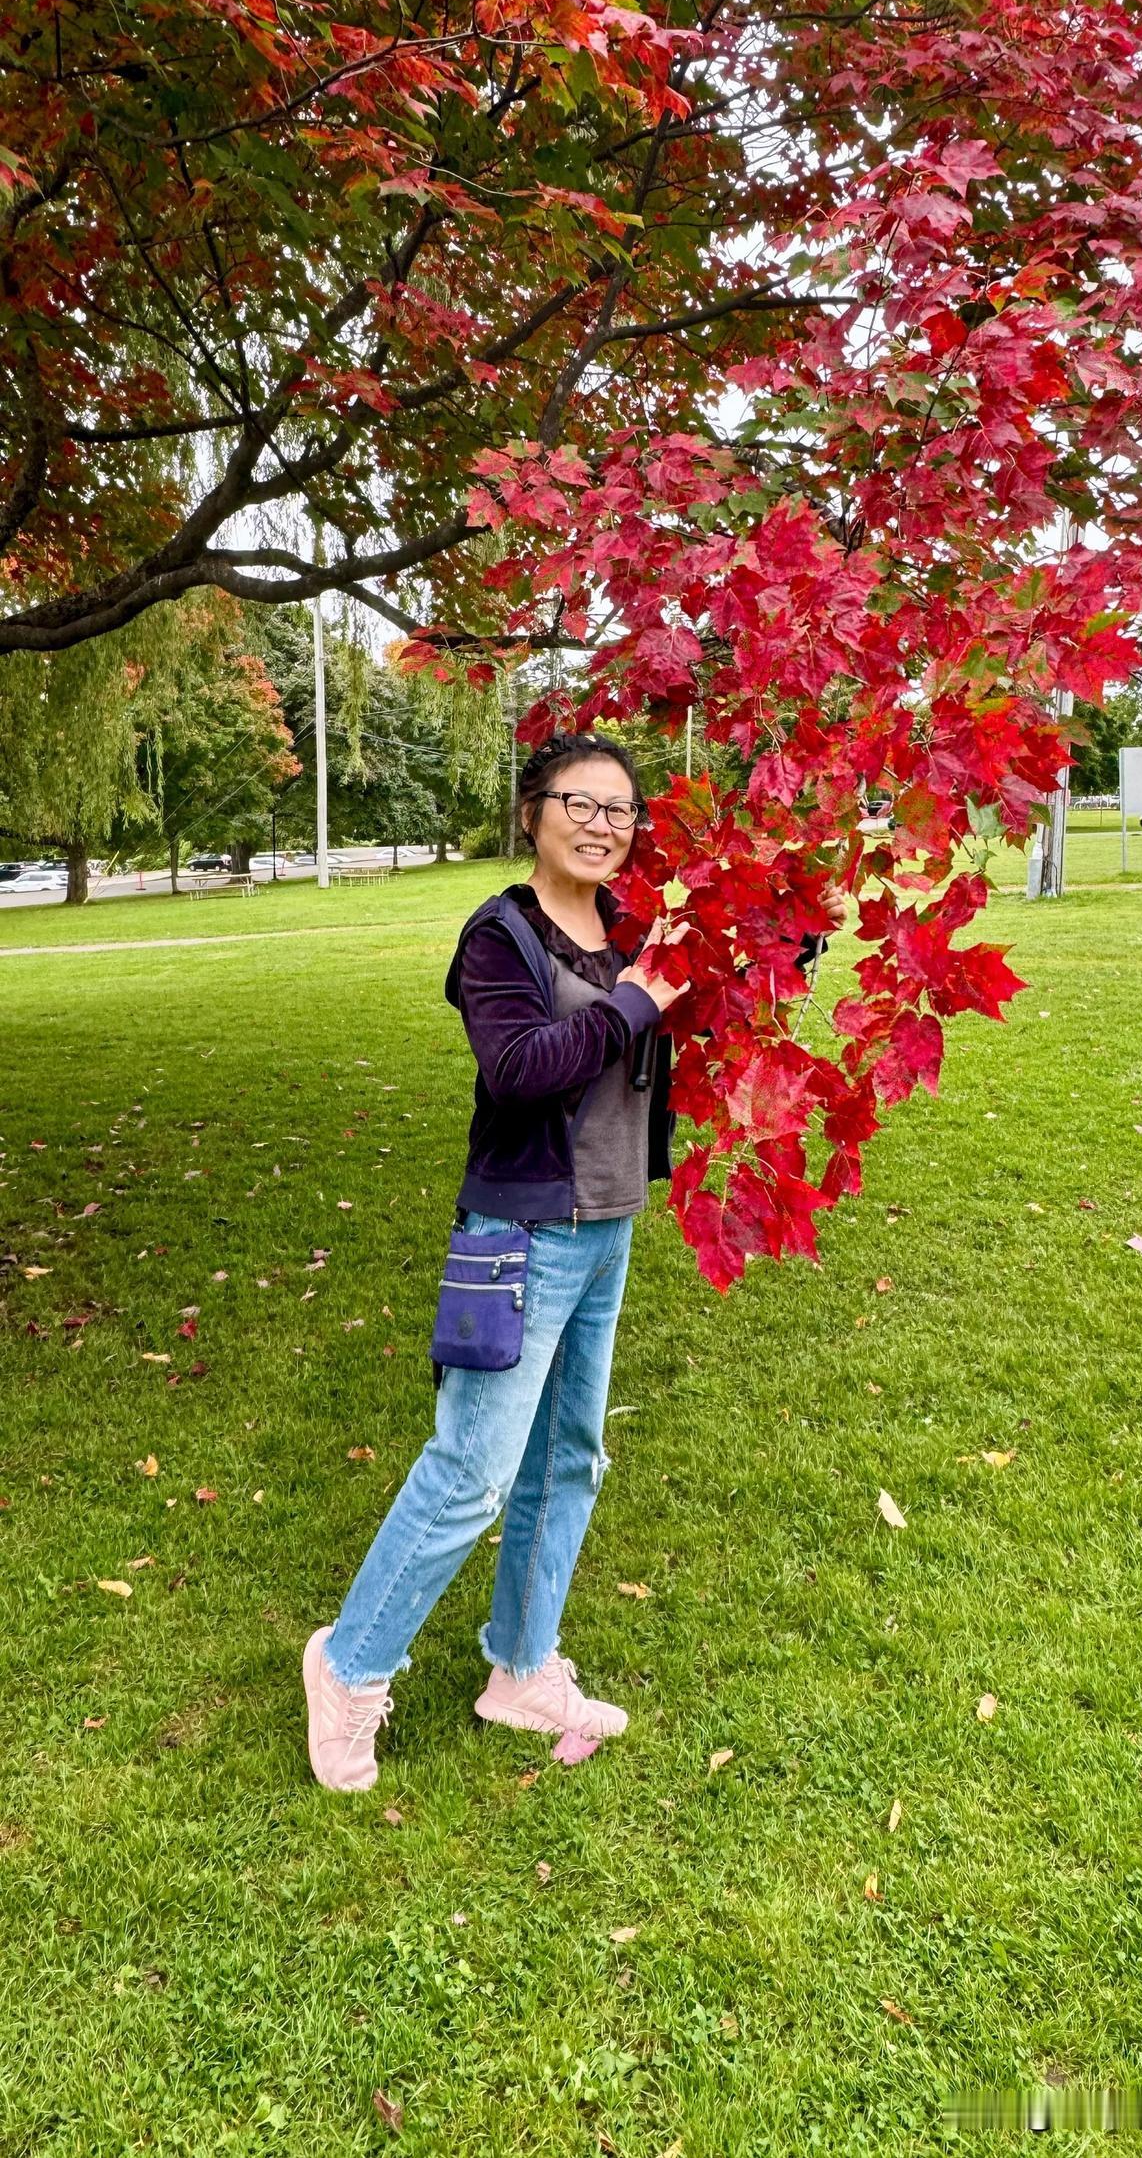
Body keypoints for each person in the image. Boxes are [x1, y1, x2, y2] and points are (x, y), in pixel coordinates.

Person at [302, 731, 689, 1791]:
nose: (602, 823)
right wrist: (634, 1001)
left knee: (570, 1458)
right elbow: (517, 1069)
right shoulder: (499, 938)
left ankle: (519, 1669)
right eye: (581, 801)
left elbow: (650, 1055)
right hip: (518, 1235)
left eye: (620, 809)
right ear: (532, 811)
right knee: (471, 1472)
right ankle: (347, 1665)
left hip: (607, 1224)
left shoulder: (626, 934)